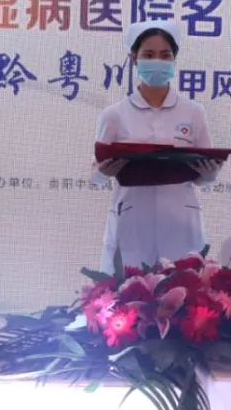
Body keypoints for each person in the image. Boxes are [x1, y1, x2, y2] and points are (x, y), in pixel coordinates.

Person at [92, 20, 223, 272]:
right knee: (130, 288)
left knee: (183, 285)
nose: (157, 61)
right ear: (134, 58)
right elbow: (96, 173)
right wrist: (103, 172)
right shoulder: (114, 115)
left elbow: (207, 174)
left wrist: (208, 174)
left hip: (180, 221)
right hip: (132, 218)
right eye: (148, 55)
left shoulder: (193, 112)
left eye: (165, 55)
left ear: (174, 60)